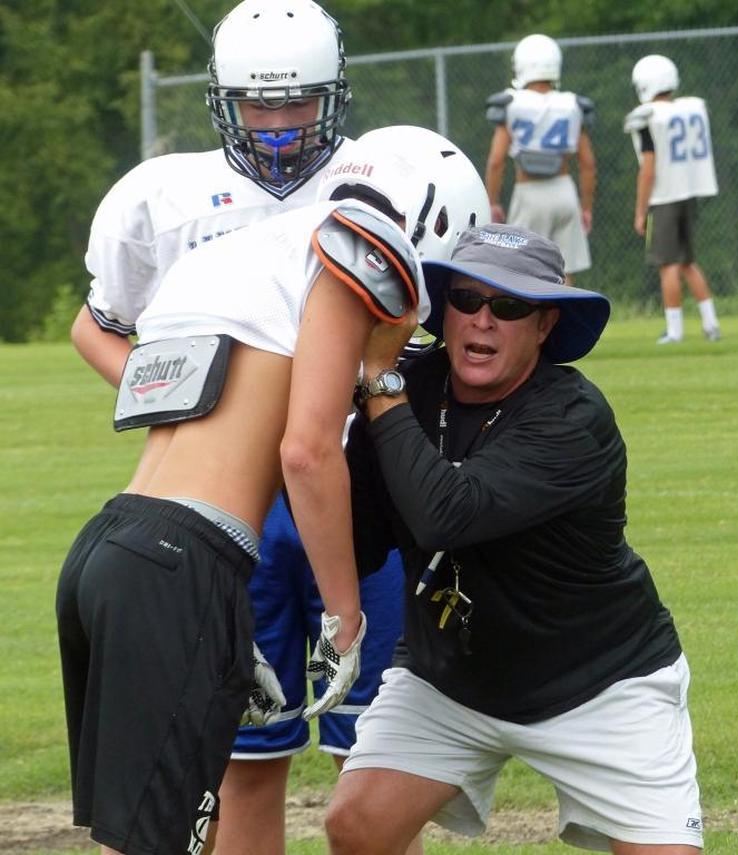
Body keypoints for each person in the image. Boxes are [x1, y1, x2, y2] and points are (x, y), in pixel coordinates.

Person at [55, 121, 453, 855]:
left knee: (150, 835)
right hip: (185, 562)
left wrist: (224, 629)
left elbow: (189, 415)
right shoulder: (359, 246)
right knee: (160, 843)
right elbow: (305, 452)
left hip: (112, 547)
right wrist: (343, 618)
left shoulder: (225, 255)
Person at [323, 223, 704, 855]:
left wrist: (378, 384)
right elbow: (362, 541)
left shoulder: (573, 418)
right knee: (355, 824)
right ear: (441, 311)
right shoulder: (407, 388)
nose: (483, 321)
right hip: (450, 680)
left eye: (509, 307)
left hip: (599, 682)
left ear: (545, 325)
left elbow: (447, 515)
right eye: (467, 301)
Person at [623, 54, 720, 344]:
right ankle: (711, 323)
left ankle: (675, 330)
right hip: (689, 191)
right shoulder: (691, 108)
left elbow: (648, 169)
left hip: (665, 196)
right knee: (688, 261)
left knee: (669, 265)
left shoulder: (649, 116)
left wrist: (640, 210)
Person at [484, 33, 596, 283]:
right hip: (565, 191)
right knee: (565, 269)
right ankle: (563, 321)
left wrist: (493, 201)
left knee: (522, 268)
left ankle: (530, 321)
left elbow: (496, 160)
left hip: (530, 193)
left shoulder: (512, 103)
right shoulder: (572, 104)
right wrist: (586, 206)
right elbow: (588, 163)